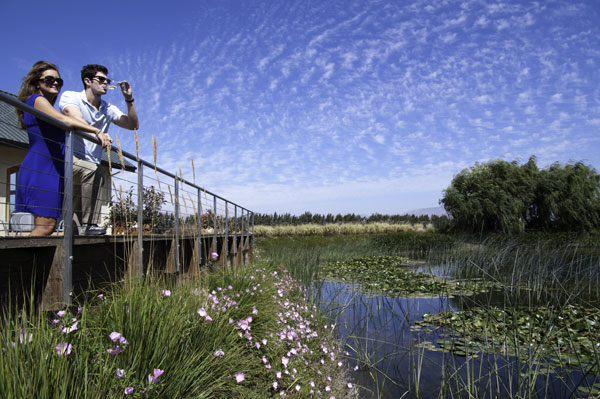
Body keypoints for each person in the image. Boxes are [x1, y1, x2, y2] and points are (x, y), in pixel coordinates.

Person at [15, 61, 110, 236]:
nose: (56, 83)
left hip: (54, 167)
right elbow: (65, 120)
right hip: (41, 167)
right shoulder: (37, 100)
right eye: (50, 79)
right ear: (37, 82)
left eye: (59, 81)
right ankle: (23, 264)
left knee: (48, 226)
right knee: (46, 226)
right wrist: (96, 131)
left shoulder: (46, 105)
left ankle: (34, 263)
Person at [59, 64, 139, 235]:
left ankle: (74, 233)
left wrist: (129, 100)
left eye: (107, 80)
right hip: (70, 158)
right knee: (94, 170)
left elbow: (132, 125)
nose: (105, 83)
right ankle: (89, 224)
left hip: (91, 164)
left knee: (73, 220)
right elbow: (75, 118)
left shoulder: (107, 108)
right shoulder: (71, 97)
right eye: (101, 80)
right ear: (87, 81)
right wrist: (97, 132)